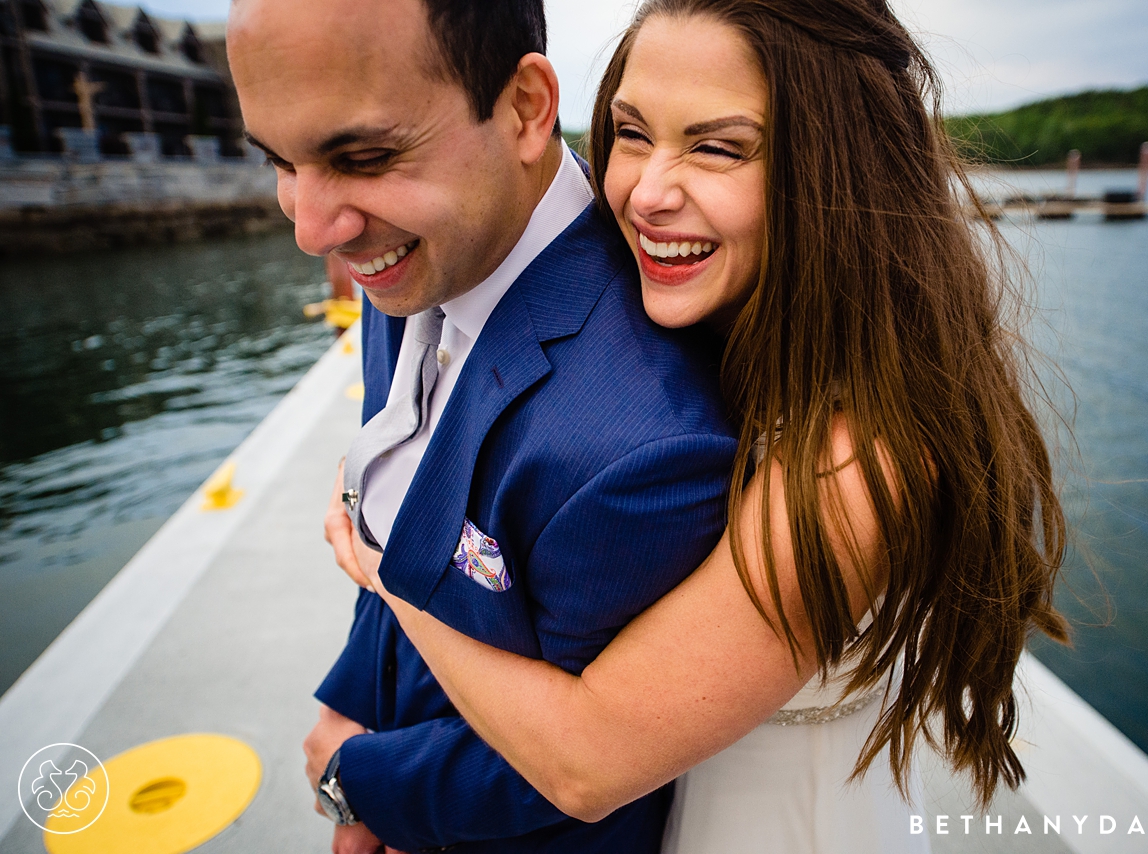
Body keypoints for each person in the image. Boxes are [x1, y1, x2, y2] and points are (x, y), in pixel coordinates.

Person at [334, 0, 1071, 852]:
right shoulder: (702, 324)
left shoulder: (861, 464)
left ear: (836, 170)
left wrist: (388, 560)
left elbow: (589, 757)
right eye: (632, 133)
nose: (646, 192)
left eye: (719, 147)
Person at [227, 1, 740, 852]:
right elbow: (393, 510)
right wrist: (351, 708)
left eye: (363, 158)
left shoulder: (647, 445)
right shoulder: (420, 250)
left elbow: (575, 762)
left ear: (526, 109)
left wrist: (358, 782)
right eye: (282, 161)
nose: (311, 229)